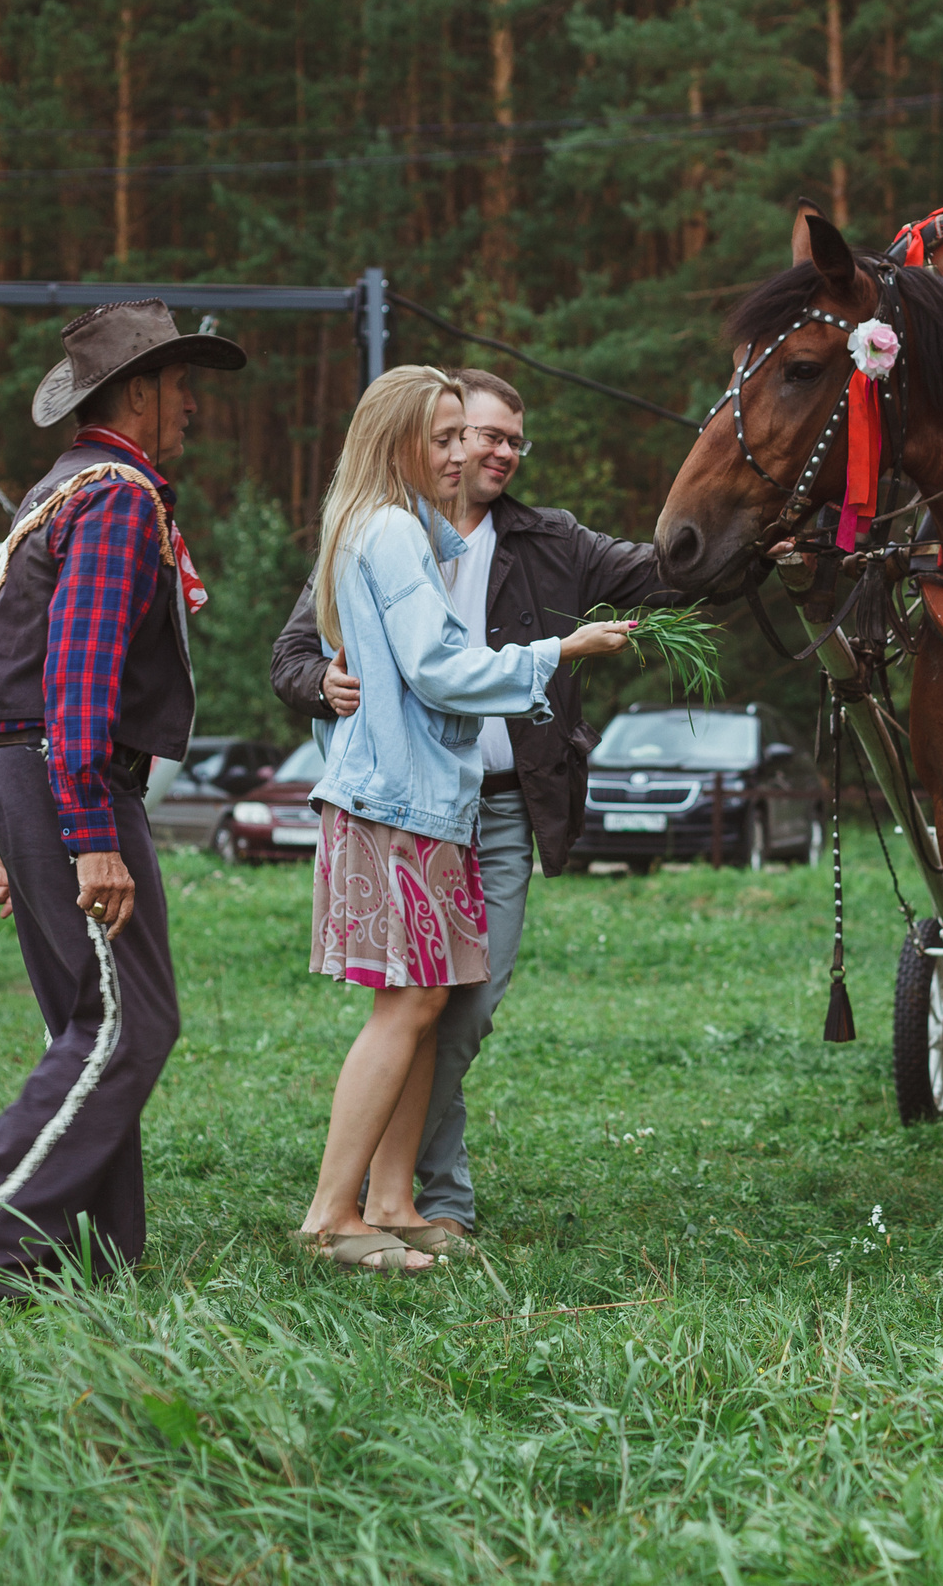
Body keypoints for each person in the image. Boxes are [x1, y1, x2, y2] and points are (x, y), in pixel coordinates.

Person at [0, 298, 245, 1296]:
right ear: (137, 392)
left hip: (26, 777)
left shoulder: (51, 491)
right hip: (67, 776)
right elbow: (74, 687)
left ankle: (89, 1250)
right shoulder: (118, 500)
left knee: (91, 1022)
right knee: (127, 1025)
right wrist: (90, 835)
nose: (193, 408)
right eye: (181, 388)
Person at [271, 367, 676, 1243]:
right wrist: (559, 651)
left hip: (444, 805)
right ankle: (329, 1216)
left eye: (478, 437)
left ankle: (392, 1201)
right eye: (446, 437)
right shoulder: (388, 531)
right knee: (409, 1006)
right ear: (399, 440)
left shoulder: (432, 535)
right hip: (401, 802)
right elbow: (438, 670)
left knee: (440, 1000)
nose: (466, 454)